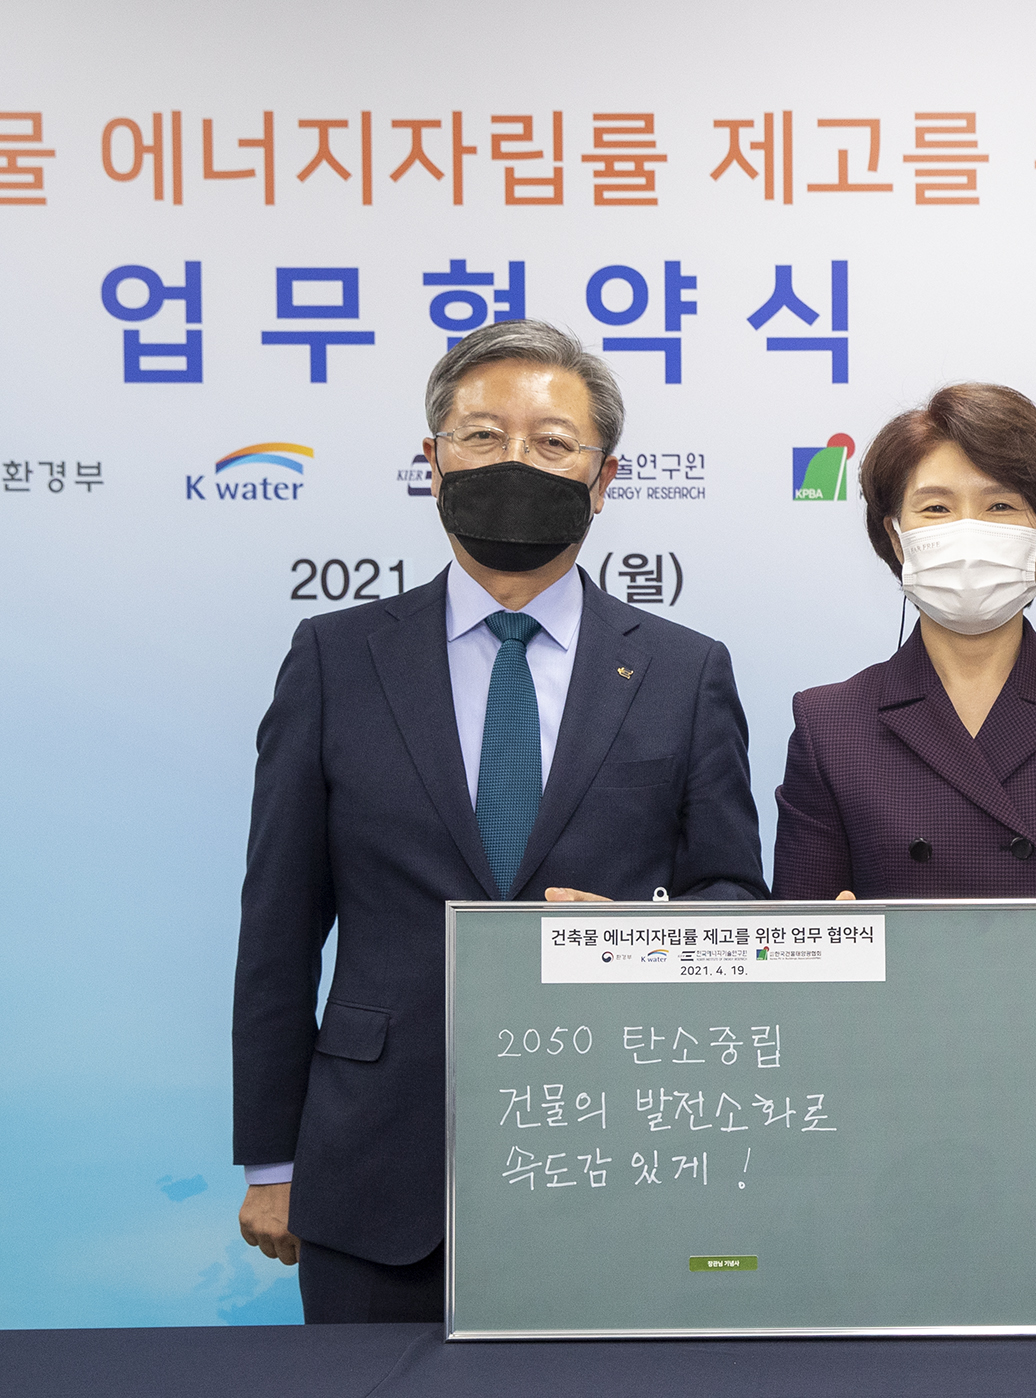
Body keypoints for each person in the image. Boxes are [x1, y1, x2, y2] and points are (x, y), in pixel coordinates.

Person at [232, 321, 766, 1322]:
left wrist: (640, 942)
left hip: (619, 1150)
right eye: (482, 436)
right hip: (373, 1165)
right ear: (432, 463)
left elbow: (734, 895)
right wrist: (272, 1158)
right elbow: (277, 925)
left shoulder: (685, 670)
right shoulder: (336, 658)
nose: (515, 461)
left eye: (552, 442)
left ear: (604, 480)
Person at [771, 383, 1036, 900]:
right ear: (897, 537)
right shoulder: (830, 725)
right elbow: (799, 940)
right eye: (936, 508)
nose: (967, 534)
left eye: (1000, 505)